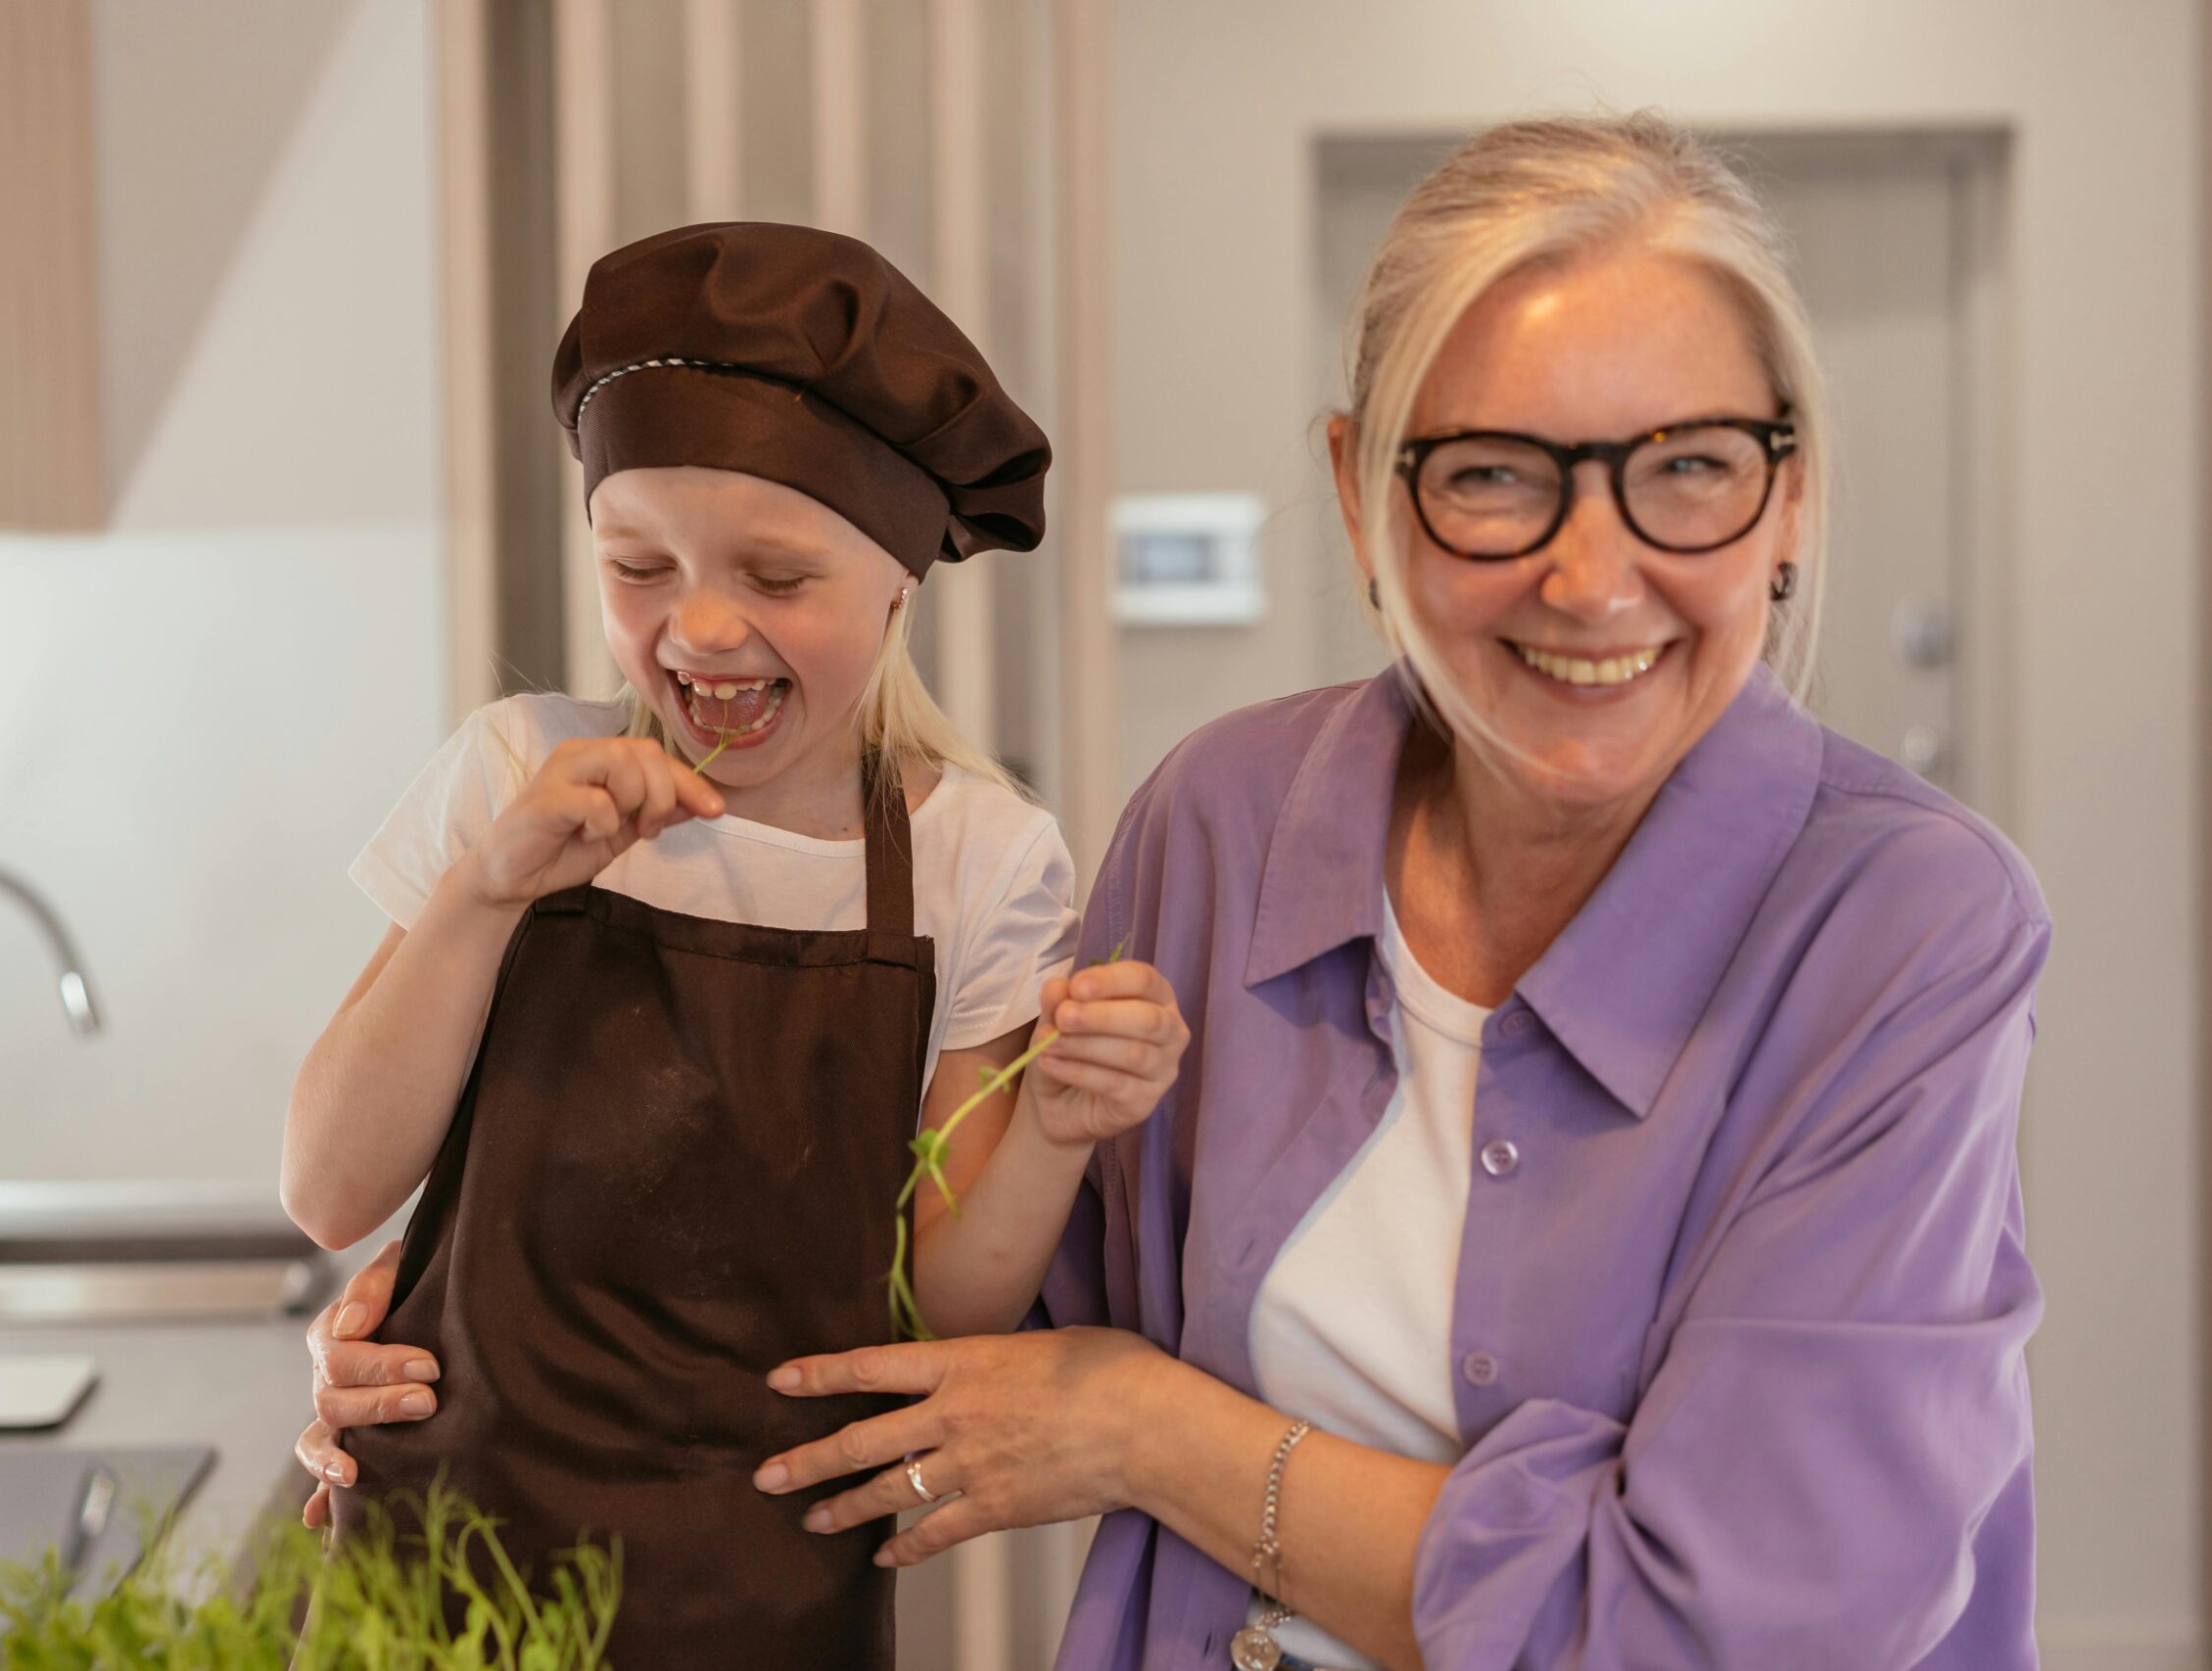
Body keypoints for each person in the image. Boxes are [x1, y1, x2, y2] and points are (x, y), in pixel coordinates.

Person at [302, 116, 2048, 1670]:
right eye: (1494, 477)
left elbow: (1734, 1628)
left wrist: (1149, 1433)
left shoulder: (1903, 929)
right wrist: (471, 1343)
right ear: (1368, 498)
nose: (1592, 578)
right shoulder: (1226, 823)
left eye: (1686, 467)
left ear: (1790, 495)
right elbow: (922, 1317)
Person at [279, 221, 1187, 1668]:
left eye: (776, 576)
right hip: (432, 1587)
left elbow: (948, 1303)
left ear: (899, 581)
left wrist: (1062, 1127)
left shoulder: (980, 860)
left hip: (762, 1606)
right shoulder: (510, 769)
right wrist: (486, 894)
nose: (698, 628)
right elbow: (330, 1188)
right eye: (637, 564)